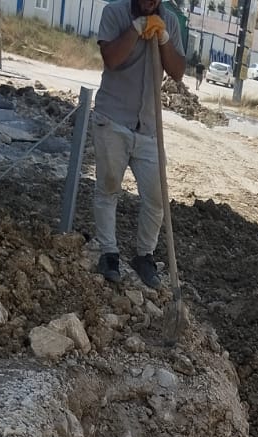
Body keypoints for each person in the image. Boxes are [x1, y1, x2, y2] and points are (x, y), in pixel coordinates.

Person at [93, 0, 185, 288]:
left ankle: (144, 255)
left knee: (157, 197)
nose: (150, 3)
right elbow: (111, 58)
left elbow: (178, 71)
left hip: (148, 126)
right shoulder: (114, 13)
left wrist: (164, 38)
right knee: (108, 188)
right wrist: (135, 29)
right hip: (113, 118)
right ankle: (108, 252)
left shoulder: (169, 20)